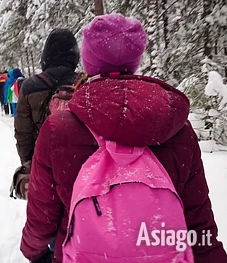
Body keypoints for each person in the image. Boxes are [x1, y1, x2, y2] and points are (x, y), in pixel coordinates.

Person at [20, 14, 227, 263]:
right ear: (136, 60)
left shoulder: (58, 130)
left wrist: (33, 251)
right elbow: (198, 221)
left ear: (87, 62)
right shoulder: (177, 129)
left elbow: (42, 213)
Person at [14, 28, 80, 173]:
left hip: (45, 161)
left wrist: (28, 164)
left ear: (46, 55)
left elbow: (23, 133)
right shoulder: (83, 82)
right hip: (81, 164)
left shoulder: (30, 86)